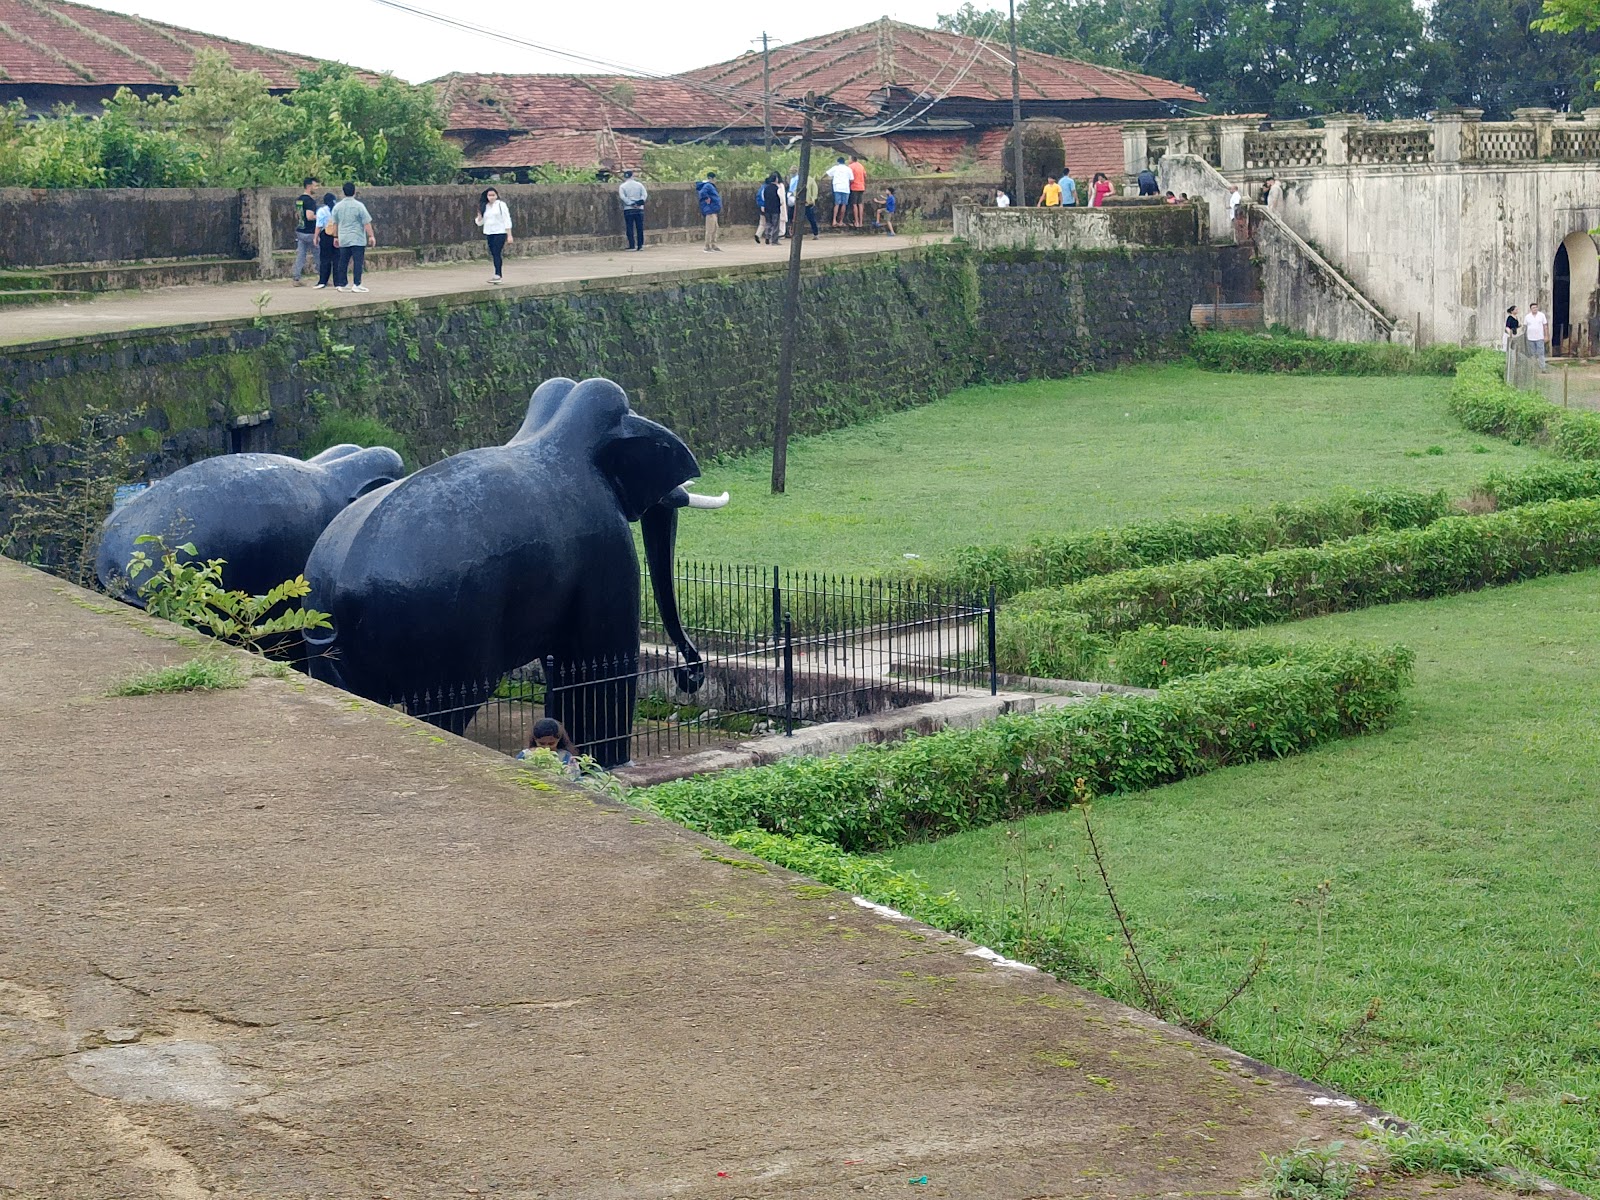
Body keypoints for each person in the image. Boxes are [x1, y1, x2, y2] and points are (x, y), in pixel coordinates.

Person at [327, 181, 375, 293]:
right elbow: (366, 222)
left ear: (343, 192)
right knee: (358, 262)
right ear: (354, 192)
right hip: (357, 238)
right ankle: (357, 283)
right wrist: (371, 236)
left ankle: (342, 283)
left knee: (343, 261)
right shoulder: (359, 206)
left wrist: (335, 237)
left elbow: (335, 223)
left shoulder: (337, 207)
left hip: (344, 238)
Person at [516, 717, 580, 779]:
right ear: (535, 740)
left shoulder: (566, 757)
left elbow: (574, 778)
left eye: (551, 743)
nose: (546, 748)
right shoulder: (525, 756)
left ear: (559, 740)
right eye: (541, 743)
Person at [474, 187, 513, 283]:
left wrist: (509, 235)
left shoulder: (501, 205)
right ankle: (497, 274)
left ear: (496, 196)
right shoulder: (485, 206)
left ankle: (498, 274)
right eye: (489, 195)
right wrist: (479, 217)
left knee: (496, 252)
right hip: (489, 232)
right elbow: (480, 223)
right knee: (493, 253)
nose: (491, 197)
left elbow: (506, 219)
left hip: (500, 232)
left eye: (493, 195)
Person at [292, 175, 320, 286]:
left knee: (301, 255)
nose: (317, 188)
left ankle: (296, 278)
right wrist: (320, 217)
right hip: (310, 232)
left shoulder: (299, 199)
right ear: (309, 186)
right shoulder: (310, 201)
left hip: (300, 231)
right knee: (318, 255)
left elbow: (297, 215)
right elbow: (309, 216)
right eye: (315, 186)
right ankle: (324, 277)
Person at [617, 170, 647, 251]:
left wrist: (631, 203)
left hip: (628, 208)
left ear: (625, 177)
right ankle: (640, 245)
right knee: (639, 227)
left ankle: (632, 246)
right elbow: (644, 195)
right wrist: (639, 202)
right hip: (639, 209)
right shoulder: (639, 185)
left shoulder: (622, 186)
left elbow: (623, 197)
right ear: (632, 175)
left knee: (629, 227)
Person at [313, 190, 337, 289]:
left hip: (325, 234)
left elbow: (319, 225)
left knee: (324, 258)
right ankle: (338, 281)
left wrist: (315, 237)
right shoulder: (337, 209)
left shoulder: (322, 211)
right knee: (337, 259)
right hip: (336, 235)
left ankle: (323, 281)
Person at [697, 171, 722, 251]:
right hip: (710, 210)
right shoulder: (707, 185)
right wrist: (706, 198)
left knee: (715, 228)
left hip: (713, 210)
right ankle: (707, 246)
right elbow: (702, 193)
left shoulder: (710, 186)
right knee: (710, 229)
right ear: (711, 178)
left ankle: (713, 245)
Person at [826, 156, 853, 227]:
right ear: (844, 162)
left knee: (837, 204)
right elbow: (852, 179)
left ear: (838, 162)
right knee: (844, 204)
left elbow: (827, 173)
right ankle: (841, 221)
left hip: (837, 187)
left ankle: (834, 221)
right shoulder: (848, 169)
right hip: (845, 188)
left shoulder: (835, 168)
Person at [759, 173, 783, 245]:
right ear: (776, 179)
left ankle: (767, 236)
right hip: (775, 208)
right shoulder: (777, 188)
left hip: (767, 208)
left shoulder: (766, 188)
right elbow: (781, 199)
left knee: (768, 223)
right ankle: (774, 240)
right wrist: (780, 203)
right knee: (775, 224)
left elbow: (763, 197)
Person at [1524, 301, 1548, 369]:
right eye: (1533, 308)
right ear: (1530, 309)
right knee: (1532, 353)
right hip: (1530, 338)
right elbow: (1525, 327)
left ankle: (1542, 367)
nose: (1535, 309)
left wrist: (1546, 335)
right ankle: (1533, 367)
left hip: (1539, 337)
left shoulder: (1541, 315)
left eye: (1536, 307)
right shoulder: (1527, 316)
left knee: (1541, 353)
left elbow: (1545, 326)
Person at [848, 154, 867, 229]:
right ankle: (861, 222)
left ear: (852, 159)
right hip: (861, 186)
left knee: (854, 204)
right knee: (860, 204)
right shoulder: (861, 166)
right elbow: (865, 175)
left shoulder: (850, 166)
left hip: (854, 187)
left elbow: (849, 177)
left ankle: (856, 221)